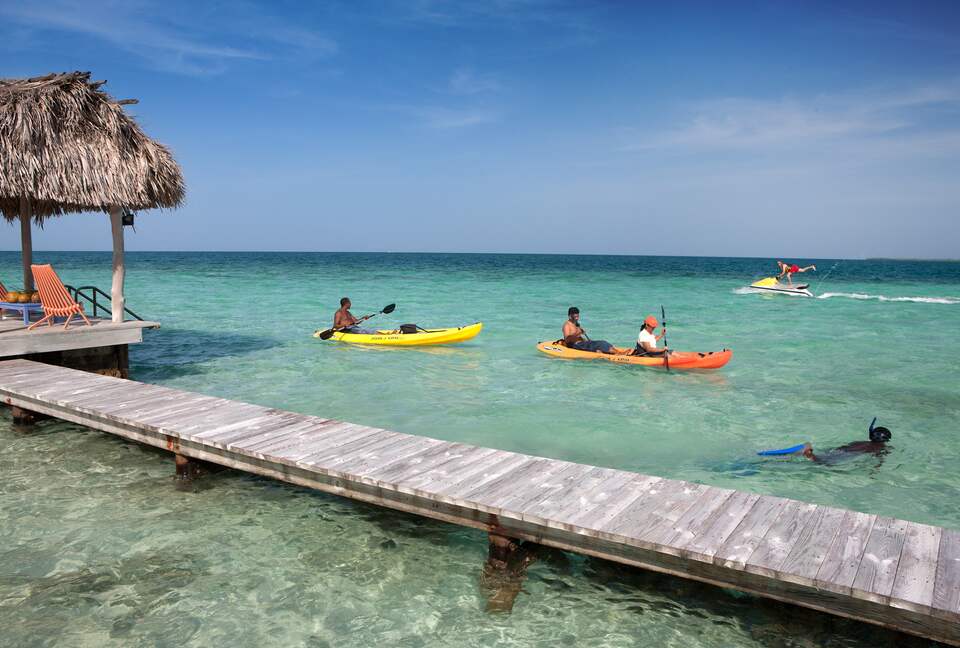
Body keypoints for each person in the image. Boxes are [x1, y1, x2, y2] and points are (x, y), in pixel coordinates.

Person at [796, 418, 892, 464]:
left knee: (826, 454)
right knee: (825, 463)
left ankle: (806, 453)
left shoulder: (862, 442)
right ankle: (810, 455)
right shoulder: (882, 448)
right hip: (849, 454)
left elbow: (849, 444)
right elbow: (879, 461)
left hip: (843, 449)